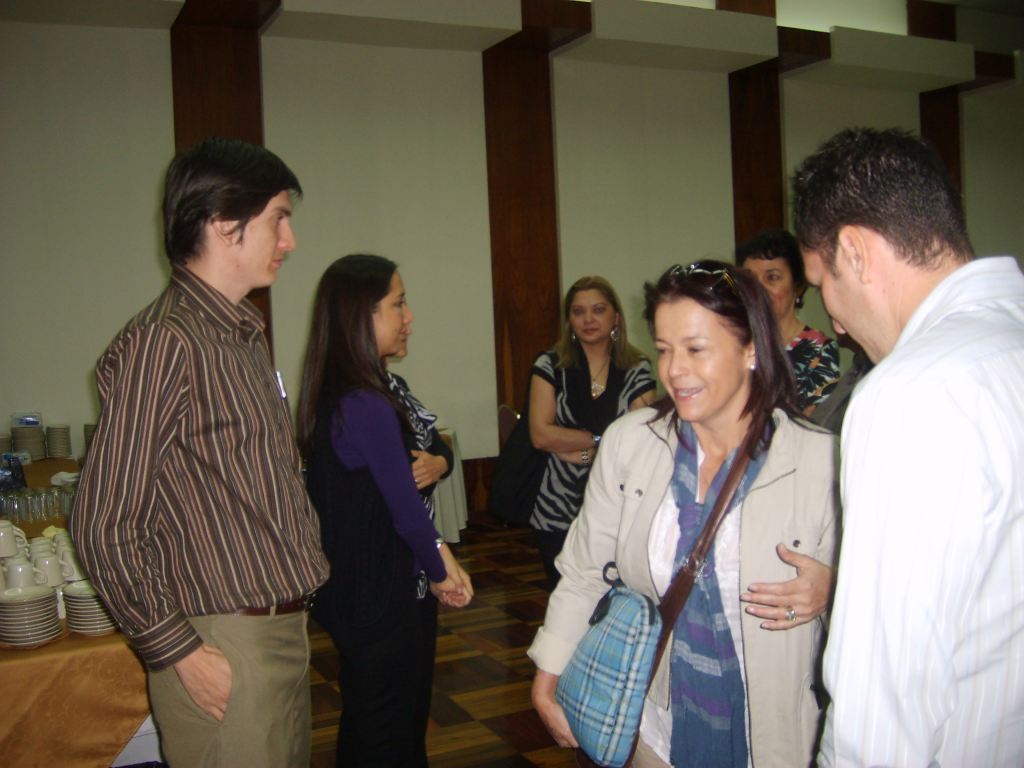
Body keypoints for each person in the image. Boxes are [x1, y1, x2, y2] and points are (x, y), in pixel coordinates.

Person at [71, 137, 329, 767]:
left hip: (275, 633)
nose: (290, 241)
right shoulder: (166, 343)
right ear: (223, 223)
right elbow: (103, 522)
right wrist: (178, 651)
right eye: (278, 219)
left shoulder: (238, 335)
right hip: (224, 638)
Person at [529, 261, 838, 767]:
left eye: (695, 349)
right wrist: (549, 671)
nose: (673, 370)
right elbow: (585, 570)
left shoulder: (822, 462)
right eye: (665, 349)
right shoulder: (632, 443)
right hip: (656, 729)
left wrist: (834, 587)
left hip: (773, 737)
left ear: (752, 349)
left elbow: (888, 607)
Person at [792, 127, 1024, 767]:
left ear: (855, 251)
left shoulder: (911, 393)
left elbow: (882, 710)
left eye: (822, 282)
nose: (836, 322)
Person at [296, 254, 473, 767]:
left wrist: (434, 566)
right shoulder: (364, 402)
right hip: (380, 599)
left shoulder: (345, 393)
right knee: (388, 735)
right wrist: (443, 569)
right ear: (362, 315)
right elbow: (405, 511)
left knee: (378, 726)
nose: (409, 316)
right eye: (398, 304)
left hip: (368, 592)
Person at [529, 276, 656, 587]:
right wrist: (602, 440)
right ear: (569, 321)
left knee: (614, 598)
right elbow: (541, 435)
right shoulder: (550, 365)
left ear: (616, 317)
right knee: (566, 596)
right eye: (578, 311)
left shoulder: (636, 367)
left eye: (598, 310)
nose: (588, 319)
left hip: (618, 504)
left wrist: (582, 452)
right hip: (557, 507)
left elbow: (640, 441)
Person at [736, 228, 840, 414]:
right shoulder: (731, 343)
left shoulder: (819, 352)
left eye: (772, 278)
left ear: (797, 286)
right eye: (750, 279)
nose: (758, 289)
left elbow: (814, 424)